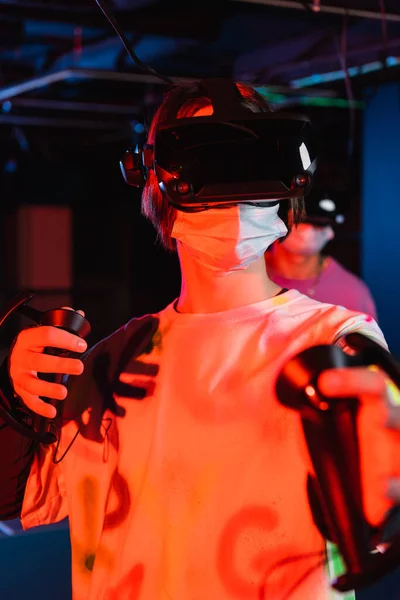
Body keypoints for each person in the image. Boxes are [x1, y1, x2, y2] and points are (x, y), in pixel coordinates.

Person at [0, 81, 398, 600]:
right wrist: (11, 403)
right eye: (206, 159)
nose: (231, 190)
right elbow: (17, 499)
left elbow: (382, 479)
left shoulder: (334, 342)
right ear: (155, 180)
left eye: (249, 158)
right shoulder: (118, 363)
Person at [265, 192, 378, 319]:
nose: (306, 228)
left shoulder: (351, 293)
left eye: (317, 223)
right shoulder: (244, 276)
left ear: (330, 231)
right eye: (297, 220)